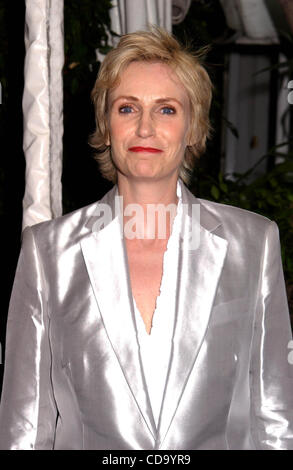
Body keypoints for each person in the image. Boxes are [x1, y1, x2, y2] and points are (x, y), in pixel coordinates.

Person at [0, 26, 292, 450]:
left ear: (193, 127)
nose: (145, 129)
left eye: (167, 110)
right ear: (106, 124)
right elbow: (25, 427)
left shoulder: (254, 244)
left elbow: (276, 418)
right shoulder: (48, 253)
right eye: (127, 108)